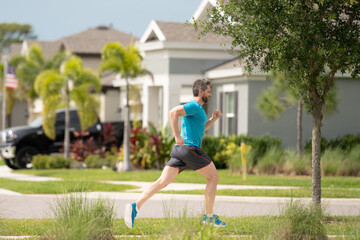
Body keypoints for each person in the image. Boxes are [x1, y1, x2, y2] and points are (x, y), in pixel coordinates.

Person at [124, 78, 226, 228]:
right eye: (209, 92)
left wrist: (213, 119)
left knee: (162, 182)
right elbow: (173, 112)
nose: (210, 95)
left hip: (180, 151)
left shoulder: (197, 110)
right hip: (190, 149)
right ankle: (209, 216)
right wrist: (177, 135)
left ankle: (135, 206)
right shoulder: (194, 106)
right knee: (214, 177)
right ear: (201, 91)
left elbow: (201, 129)